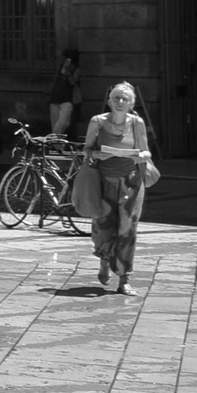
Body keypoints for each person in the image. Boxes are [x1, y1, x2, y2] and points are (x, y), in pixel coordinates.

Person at [84, 82, 153, 296]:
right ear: (109, 101)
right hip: (104, 181)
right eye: (116, 98)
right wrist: (96, 154)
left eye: (125, 99)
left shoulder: (137, 123)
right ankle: (104, 259)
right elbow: (86, 150)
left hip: (131, 182)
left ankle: (124, 279)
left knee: (127, 230)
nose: (120, 102)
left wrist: (138, 155)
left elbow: (147, 152)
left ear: (132, 103)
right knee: (103, 227)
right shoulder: (97, 122)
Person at [48, 49, 82, 135]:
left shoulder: (76, 69)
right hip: (55, 97)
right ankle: (56, 144)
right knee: (55, 124)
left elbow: (72, 82)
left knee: (63, 123)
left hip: (67, 99)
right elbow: (56, 80)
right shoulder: (60, 67)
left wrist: (67, 71)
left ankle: (54, 139)